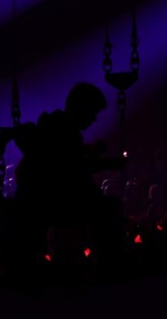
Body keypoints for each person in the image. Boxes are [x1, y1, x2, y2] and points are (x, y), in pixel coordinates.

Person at [5, 82, 126, 287]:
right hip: (47, 200)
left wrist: (91, 153)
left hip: (48, 199)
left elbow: (70, 158)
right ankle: (108, 273)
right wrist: (107, 163)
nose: (94, 118)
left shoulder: (60, 129)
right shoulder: (59, 130)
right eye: (93, 112)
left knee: (104, 206)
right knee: (106, 208)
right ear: (81, 107)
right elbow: (69, 165)